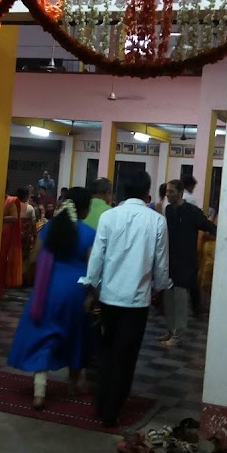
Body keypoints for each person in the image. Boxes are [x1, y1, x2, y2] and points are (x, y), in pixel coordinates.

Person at [83, 169, 170, 427]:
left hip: (109, 297)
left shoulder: (109, 217)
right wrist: (159, 289)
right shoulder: (157, 221)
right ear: (147, 192)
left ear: (121, 190)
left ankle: (101, 403)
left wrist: (91, 289)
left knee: (107, 351)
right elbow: (161, 265)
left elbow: (97, 256)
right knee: (127, 356)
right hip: (137, 301)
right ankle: (113, 410)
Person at [8, 187, 96, 409]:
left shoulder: (50, 228)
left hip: (48, 289)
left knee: (44, 336)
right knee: (76, 335)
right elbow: (93, 268)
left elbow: (34, 258)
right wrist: (92, 295)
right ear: (84, 209)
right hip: (76, 291)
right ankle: (75, 383)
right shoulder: (89, 233)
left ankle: (39, 392)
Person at [158, 179, 217, 347]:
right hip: (170, 260)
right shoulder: (168, 210)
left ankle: (178, 335)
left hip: (186, 262)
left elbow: (208, 226)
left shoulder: (192, 211)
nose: (168, 195)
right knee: (169, 298)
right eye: (167, 192)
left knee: (180, 299)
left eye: (171, 192)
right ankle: (170, 330)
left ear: (180, 192)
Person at [0, 187, 30, 297]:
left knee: (1, 262)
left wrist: (0, 218)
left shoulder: (10, 201)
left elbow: (15, 218)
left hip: (5, 237)